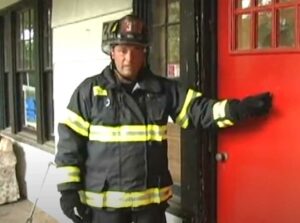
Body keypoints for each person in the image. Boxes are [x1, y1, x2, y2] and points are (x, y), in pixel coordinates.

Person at [55, 14, 272, 223]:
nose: (128, 58)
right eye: (122, 50)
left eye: (135, 50)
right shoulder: (89, 92)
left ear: (145, 53)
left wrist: (238, 110)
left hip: (150, 209)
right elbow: (69, 144)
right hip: (104, 210)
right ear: (112, 52)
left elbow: (198, 111)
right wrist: (68, 191)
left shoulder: (162, 90)